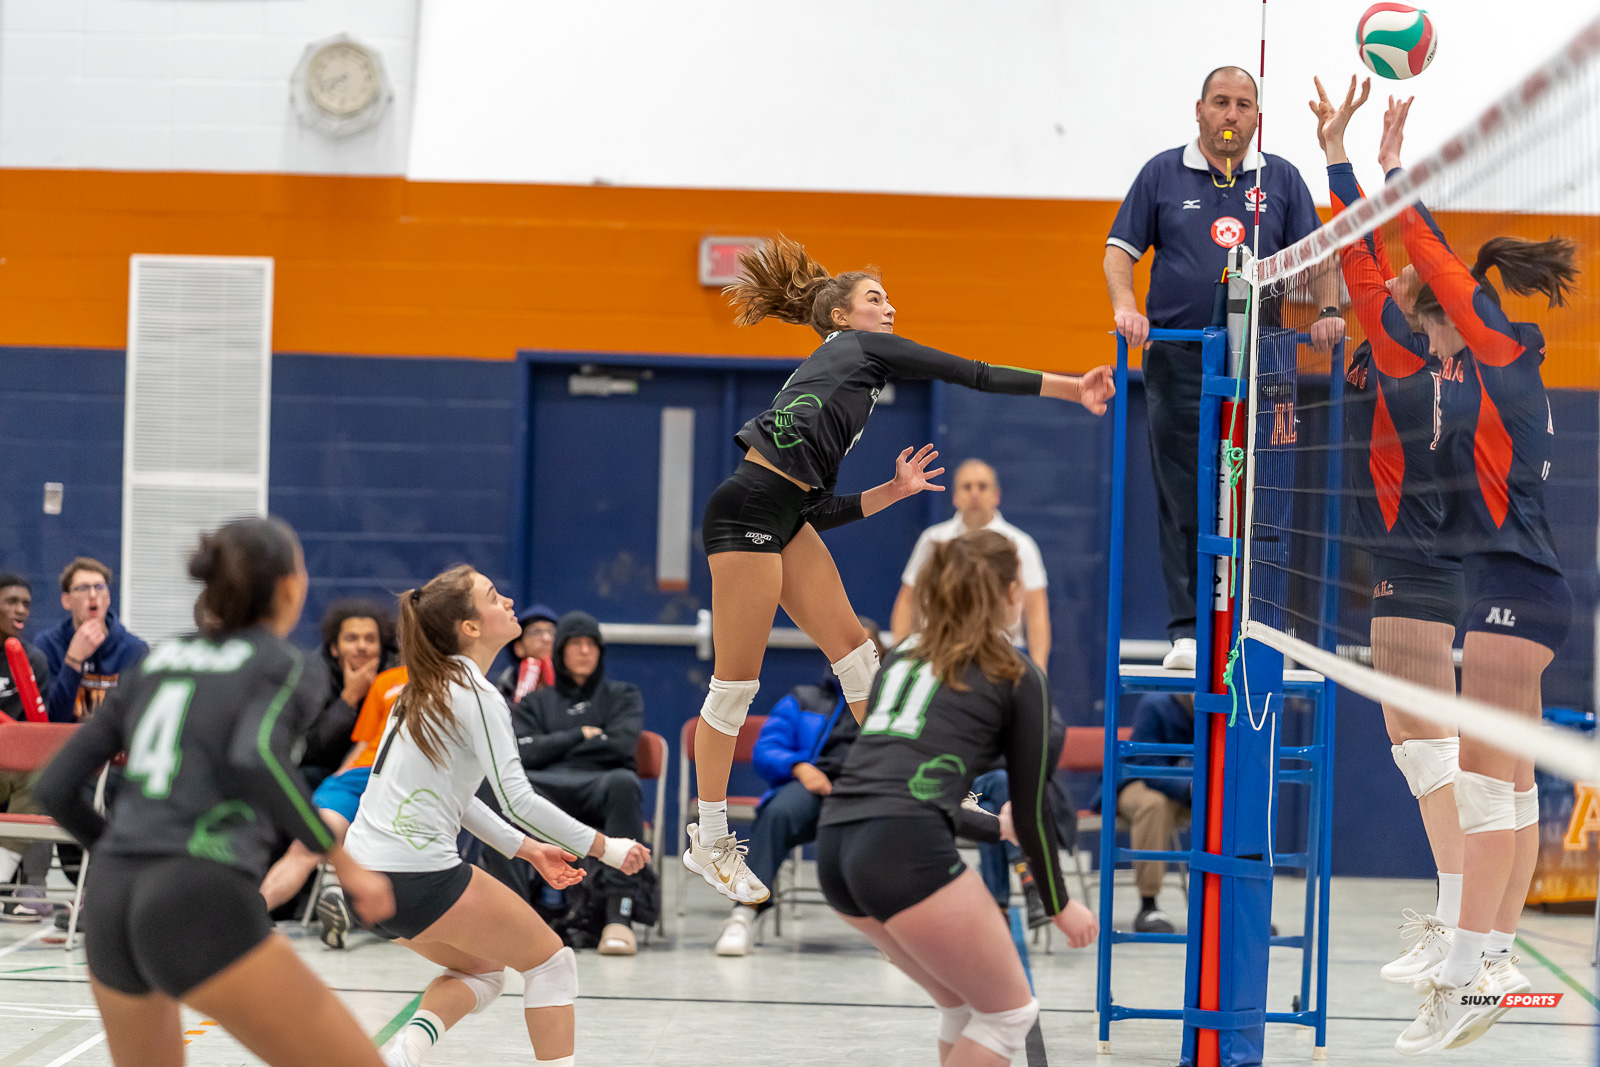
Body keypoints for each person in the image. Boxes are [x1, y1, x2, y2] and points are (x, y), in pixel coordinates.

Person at [684, 235, 1114, 905]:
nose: (890, 309)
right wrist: (1068, 387)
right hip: (745, 513)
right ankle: (709, 838)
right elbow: (966, 370)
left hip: (783, 515)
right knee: (734, 687)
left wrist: (892, 491)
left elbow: (815, 508)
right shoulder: (861, 350)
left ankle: (924, 778)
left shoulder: (846, 378)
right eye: (876, 299)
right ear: (841, 317)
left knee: (860, 659)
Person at [32, 516, 396, 1067]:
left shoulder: (156, 660)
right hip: (198, 889)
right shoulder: (286, 665)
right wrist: (342, 860)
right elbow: (257, 755)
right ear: (288, 587)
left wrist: (121, 853)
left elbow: (55, 787)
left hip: (108, 898)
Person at [1382, 95, 1577, 1055]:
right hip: (1526, 594)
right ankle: (1490, 960)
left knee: (1489, 790)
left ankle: (1467, 976)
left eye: (1441, 312)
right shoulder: (1467, 381)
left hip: (1515, 590)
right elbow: (1405, 288)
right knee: (1509, 787)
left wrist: (1391, 178)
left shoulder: (1500, 353)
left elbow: (1435, 268)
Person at [341, 565, 649, 1067]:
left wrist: (528, 849)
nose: (509, 601)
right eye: (493, 596)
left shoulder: (417, 687)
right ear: (471, 628)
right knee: (552, 964)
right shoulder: (478, 695)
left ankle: (403, 1055)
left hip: (361, 879)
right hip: (415, 873)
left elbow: (457, 799)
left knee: (483, 972)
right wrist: (606, 848)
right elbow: (518, 799)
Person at [817, 530, 1098, 1066]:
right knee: (1009, 1016)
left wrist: (997, 830)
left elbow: (913, 790)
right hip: (901, 850)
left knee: (967, 1008)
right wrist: (1060, 905)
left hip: (836, 846)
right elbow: (1035, 807)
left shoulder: (900, 658)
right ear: (1011, 593)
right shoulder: (1015, 672)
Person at [1104, 66, 1342, 671]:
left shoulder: (1280, 177)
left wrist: (1331, 310)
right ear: (1200, 110)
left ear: (1256, 116)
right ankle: (1188, 631)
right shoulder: (1162, 171)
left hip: (1265, 358)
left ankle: (1262, 628)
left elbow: (1317, 261)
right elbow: (1118, 251)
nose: (1232, 114)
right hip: (1182, 358)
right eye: (1221, 103)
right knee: (1185, 490)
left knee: (1265, 490)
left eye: (1243, 104)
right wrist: (1127, 309)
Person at [1310, 77, 1467, 989]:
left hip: (1418, 569)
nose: (1396, 284)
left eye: (1415, 289)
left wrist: (1352, 159)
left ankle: (1461, 934)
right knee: (1412, 746)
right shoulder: (1463, 364)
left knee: (1430, 749)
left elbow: (1369, 255)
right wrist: (1385, 163)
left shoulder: (1406, 353)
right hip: (1417, 566)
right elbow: (1399, 255)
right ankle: (1455, 923)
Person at [714, 619, 882, 957]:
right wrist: (799, 767)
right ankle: (744, 913)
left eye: (865, 650)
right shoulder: (803, 699)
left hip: (869, 793)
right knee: (776, 812)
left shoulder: (891, 705)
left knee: (900, 822)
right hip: (814, 787)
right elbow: (766, 748)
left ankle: (891, 925)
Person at [509, 610, 646, 956]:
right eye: (576, 644)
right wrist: (580, 735)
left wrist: (552, 745)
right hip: (547, 789)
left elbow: (621, 746)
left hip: (601, 786)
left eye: (592, 644)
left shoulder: (622, 696)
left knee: (624, 782)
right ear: (560, 651)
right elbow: (521, 754)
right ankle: (516, 915)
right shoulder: (535, 702)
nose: (585, 651)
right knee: (509, 791)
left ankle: (619, 917)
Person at [259, 659, 409, 948]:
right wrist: (342, 777)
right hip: (360, 775)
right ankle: (252, 916)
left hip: (406, 780)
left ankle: (336, 890)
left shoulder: (458, 681)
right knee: (307, 844)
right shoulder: (387, 681)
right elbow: (364, 743)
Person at [891, 460, 1051, 668]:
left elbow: (1037, 611)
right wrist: (899, 657)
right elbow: (908, 600)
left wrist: (1040, 671)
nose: (974, 493)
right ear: (955, 496)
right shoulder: (934, 540)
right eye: (967, 487)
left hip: (1001, 654)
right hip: (938, 652)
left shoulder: (1021, 545)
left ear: (996, 495)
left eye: (982, 486)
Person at [1114, 694, 1194, 934]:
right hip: (1139, 782)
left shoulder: (1226, 704)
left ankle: (1239, 907)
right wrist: (1190, 788)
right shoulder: (1155, 704)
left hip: (1192, 791)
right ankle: (1148, 905)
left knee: (1238, 804)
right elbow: (1147, 766)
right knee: (1154, 804)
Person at [0, 572, 54, 921]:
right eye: (11, 602)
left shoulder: (33, 661)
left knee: (44, 780)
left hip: (8, 766)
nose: (21, 610)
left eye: (26, 604)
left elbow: (36, 731)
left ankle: (24, 887)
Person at [35, 556, 148, 722]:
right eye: (83, 588)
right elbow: (51, 720)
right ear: (66, 600)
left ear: (108, 598)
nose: (93, 594)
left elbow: (138, 719)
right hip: (64, 743)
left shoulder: (134, 650)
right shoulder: (47, 645)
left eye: (99, 587)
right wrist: (73, 662)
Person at [300, 599, 398, 788]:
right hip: (330, 772)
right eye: (351, 638)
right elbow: (309, 751)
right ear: (334, 648)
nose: (361, 646)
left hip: (382, 772)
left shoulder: (397, 677)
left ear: (381, 648)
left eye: (370, 639)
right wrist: (349, 698)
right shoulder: (314, 679)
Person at [497, 605, 557, 705]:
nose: (547, 638)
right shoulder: (506, 685)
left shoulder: (572, 680)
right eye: (536, 631)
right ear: (519, 648)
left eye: (552, 632)